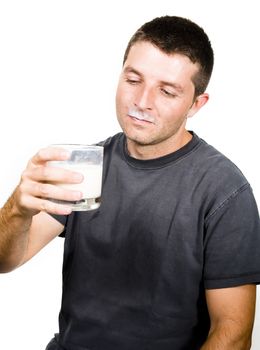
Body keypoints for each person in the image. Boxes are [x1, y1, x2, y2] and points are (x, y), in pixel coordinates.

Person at [0, 15, 260, 350]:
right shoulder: (88, 166)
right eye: (133, 79)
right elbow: (4, 261)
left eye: (166, 91)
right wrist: (17, 207)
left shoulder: (224, 191)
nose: (142, 101)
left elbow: (233, 334)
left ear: (196, 104)